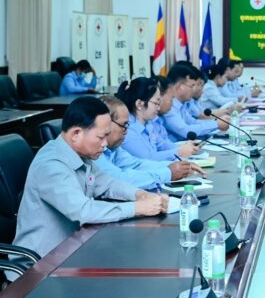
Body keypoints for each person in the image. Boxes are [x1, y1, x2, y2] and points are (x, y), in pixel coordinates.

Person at [9, 96, 167, 279]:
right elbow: (83, 211)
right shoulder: (51, 165)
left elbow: (107, 183)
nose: (105, 144)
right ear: (76, 134)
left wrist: (140, 194)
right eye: (101, 137)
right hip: (38, 268)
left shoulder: (80, 155)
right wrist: (138, 208)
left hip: (71, 251)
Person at [96, 95, 206, 189]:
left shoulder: (114, 148)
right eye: (123, 125)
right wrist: (168, 172)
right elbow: (119, 179)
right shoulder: (95, 152)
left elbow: (137, 165)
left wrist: (178, 166)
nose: (126, 130)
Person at [118, 77, 199, 161]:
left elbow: (163, 145)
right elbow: (148, 158)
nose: (159, 107)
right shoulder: (128, 130)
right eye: (156, 103)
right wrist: (178, 152)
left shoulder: (148, 124)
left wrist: (185, 147)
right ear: (139, 104)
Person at [162, 64, 228, 141]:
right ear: (179, 86)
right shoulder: (168, 107)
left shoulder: (182, 105)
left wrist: (216, 123)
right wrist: (216, 124)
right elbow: (186, 131)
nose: (194, 90)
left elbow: (193, 122)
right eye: (192, 86)